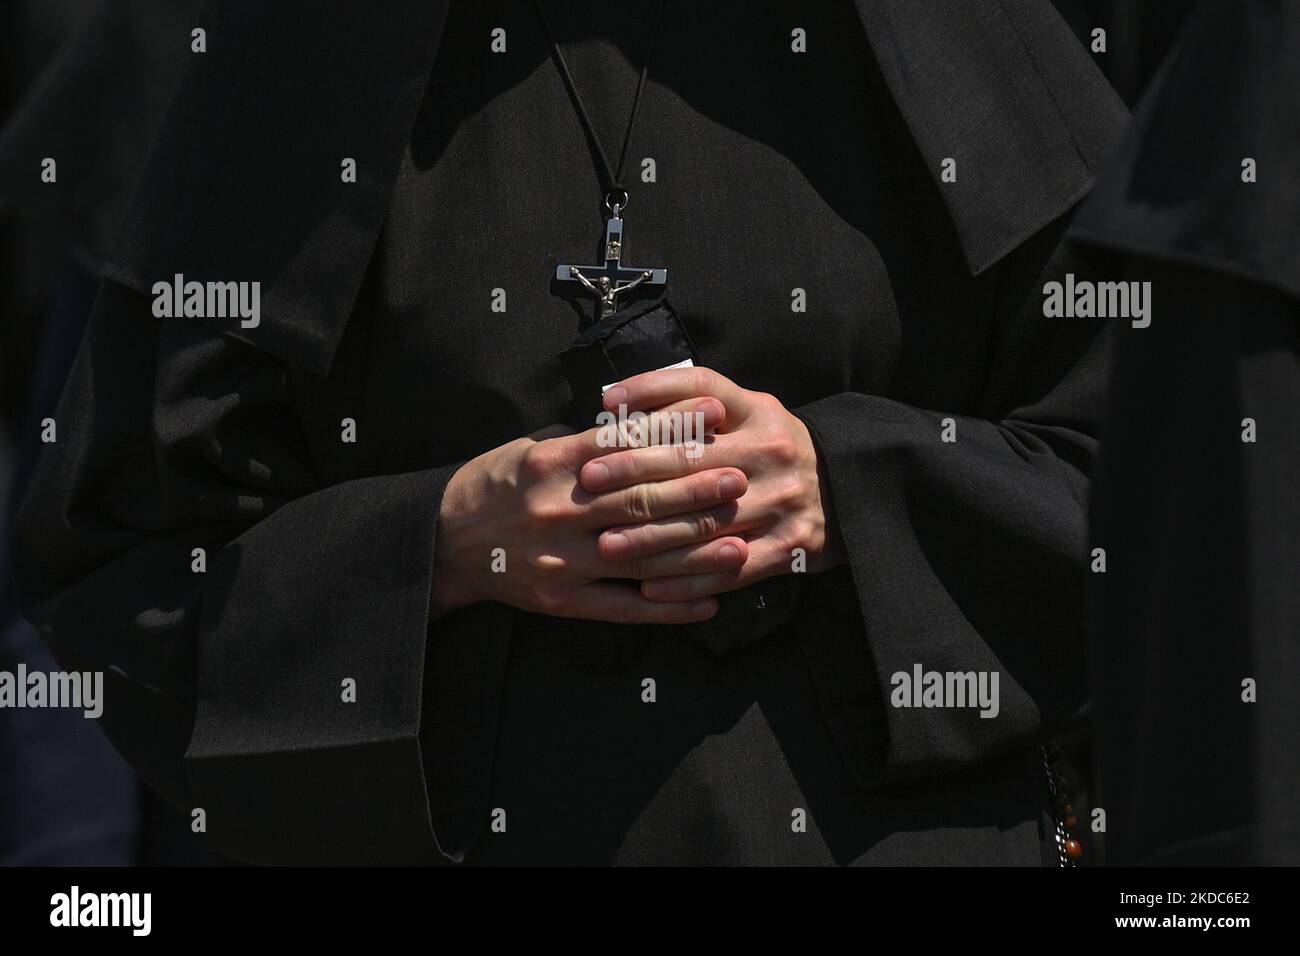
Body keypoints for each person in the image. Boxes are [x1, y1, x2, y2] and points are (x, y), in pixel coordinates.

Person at [15, 0, 1127, 864]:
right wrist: (438, 545)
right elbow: (129, 573)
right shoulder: (311, 47)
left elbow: (1156, 492)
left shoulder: (945, 38)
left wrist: (849, 490)